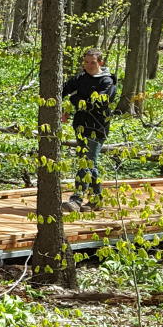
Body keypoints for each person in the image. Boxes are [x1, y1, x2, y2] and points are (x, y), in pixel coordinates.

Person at [61, 49, 116, 212]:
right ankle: (96, 200)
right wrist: (66, 104)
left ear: (101, 63)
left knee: (86, 161)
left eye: (92, 62)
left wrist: (74, 98)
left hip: (97, 127)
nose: (89, 65)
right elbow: (63, 89)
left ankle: (76, 200)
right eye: (86, 62)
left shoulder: (107, 82)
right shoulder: (81, 78)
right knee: (90, 163)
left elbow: (98, 103)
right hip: (80, 126)